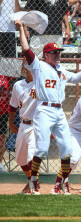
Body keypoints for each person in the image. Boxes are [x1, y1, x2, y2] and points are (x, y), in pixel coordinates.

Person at [15, 19, 81, 195]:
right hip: (43, 110)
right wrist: (21, 28)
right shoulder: (39, 66)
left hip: (58, 111)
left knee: (67, 148)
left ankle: (63, 183)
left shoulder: (61, 70)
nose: (57, 54)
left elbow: (76, 78)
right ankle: (33, 181)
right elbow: (27, 50)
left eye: (58, 52)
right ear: (46, 55)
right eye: (54, 52)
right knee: (42, 148)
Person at [8, 66, 37, 194]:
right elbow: (13, 105)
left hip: (36, 125)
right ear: (25, 69)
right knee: (20, 159)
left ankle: (33, 186)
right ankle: (32, 181)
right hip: (22, 124)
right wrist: (10, 122)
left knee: (32, 157)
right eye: (30, 68)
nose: (33, 71)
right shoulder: (18, 85)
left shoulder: (41, 83)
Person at [0, 74, 12, 172]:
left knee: (1, 139)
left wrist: (25, 59)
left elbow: (20, 70)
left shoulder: (5, 72)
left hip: (3, 112)